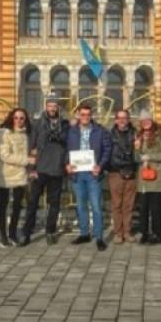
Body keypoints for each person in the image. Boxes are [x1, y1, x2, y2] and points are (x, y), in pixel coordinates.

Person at [22, 94, 70, 245]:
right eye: (49, 105)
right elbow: (32, 146)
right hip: (40, 169)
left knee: (54, 203)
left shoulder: (64, 124)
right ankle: (27, 232)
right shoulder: (37, 124)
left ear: (58, 107)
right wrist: (31, 168)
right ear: (46, 107)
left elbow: (69, 146)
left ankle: (50, 231)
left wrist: (66, 164)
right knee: (33, 202)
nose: (52, 108)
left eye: (54, 106)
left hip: (57, 168)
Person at [66, 102, 111, 251]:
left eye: (88, 114)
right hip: (77, 174)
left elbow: (107, 150)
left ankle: (99, 237)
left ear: (91, 115)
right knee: (81, 206)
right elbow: (66, 150)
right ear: (78, 115)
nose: (85, 117)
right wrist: (67, 164)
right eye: (82, 114)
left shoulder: (100, 131)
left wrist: (101, 165)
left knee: (96, 206)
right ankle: (84, 233)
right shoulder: (71, 131)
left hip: (93, 174)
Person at [0, 107, 31, 247]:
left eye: (22, 118)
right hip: (6, 174)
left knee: (17, 206)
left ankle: (13, 233)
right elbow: (4, 155)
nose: (19, 121)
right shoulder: (4, 133)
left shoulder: (25, 134)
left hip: (20, 174)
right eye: (16, 118)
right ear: (11, 118)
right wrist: (27, 160)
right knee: (3, 205)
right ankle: (3, 236)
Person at [135, 110, 161, 244]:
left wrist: (149, 157)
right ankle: (143, 232)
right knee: (143, 208)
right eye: (143, 120)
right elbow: (136, 157)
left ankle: (157, 233)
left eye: (148, 119)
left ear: (152, 120)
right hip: (143, 177)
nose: (146, 122)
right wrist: (137, 148)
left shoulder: (160, 134)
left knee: (157, 208)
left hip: (158, 177)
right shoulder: (138, 135)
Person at [106, 109, 139, 244]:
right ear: (115, 120)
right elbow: (108, 154)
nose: (122, 120)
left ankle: (127, 231)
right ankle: (118, 233)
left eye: (124, 118)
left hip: (131, 172)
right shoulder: (109, 135)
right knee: (116, 205)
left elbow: (138, 154)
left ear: (129, 119)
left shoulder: (136, 134)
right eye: (119, 118)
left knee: (129, 205)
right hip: (115, 173)